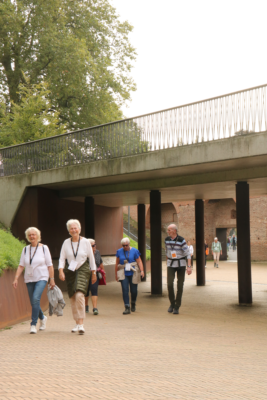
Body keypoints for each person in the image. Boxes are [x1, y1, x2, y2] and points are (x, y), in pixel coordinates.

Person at [12, 227, 55, 334]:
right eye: (30, 235)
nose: (32, 236)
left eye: (34, 234)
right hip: (29, 278)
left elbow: (50, 265)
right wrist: (16, 278)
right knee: (33, 301)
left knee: (36, 298)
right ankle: (42, 317)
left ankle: (33, 324)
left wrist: (52, 279)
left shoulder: (44, 248)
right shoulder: (25, 249)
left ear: (38, 236)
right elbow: (21, 265)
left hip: (42, 277)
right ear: (27, 236)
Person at [58, 219, 96, 334]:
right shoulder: (66, 242)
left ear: (79, 229)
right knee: (72, 296)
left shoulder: (85, 242)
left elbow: (91, 258)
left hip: (83, 269)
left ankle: (81, 324)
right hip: (70, 270)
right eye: (71, 228)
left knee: (79, 294)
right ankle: (76, 323)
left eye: (75, 228)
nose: (74, 230)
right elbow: (62, 258)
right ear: (69, 230)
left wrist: (93, 273)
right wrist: (61, 271)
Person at [165, 224, 192, 315]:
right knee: (169, 284)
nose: (167, 231)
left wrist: (189, 267)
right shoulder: (167, 240)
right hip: (171, 264)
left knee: (180, 285)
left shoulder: (181, 240)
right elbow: (167, 252)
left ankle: (177, 306)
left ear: (174, 231)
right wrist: (167, 262)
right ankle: (172, 303)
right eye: (167, 230)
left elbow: (188, 253)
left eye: (169, 230)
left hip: (181, 264)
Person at [115, 237, 144, 314]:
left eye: (126, 245)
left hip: (133, 272)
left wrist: (142, 271)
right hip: (123, 272)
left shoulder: (134, 251)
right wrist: (116, 274)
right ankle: (127, 307)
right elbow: (117, 264)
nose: (125, 247)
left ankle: (133, 302)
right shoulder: (119, 251)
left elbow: (139, 261)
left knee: (133, 291)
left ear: (129, 244)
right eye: (123, 245)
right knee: (125, 289)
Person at [85, 239, 105, 315]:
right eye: (93, 245)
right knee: (86, 292)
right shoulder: (84, 253)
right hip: (86, 274)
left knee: (94, 289)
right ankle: (86, 306)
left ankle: (95, 308)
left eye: (95, 244)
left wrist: (104, 272)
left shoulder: (97, 252)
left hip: (95, 274)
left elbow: (100, 263)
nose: (95, 246)